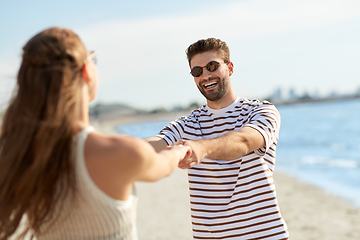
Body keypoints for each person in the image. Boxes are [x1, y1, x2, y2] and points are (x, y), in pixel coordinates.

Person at [0, 27, 190, 240]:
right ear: (86, 71)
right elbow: (162, 166)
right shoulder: (120, 153)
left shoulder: (20, 155)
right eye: (93, 58)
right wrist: (179, 151)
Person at [147, 38, 289, 239]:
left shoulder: (261, 111)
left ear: (230, 68)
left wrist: (202, 149)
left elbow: (244, 141)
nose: (205, 75)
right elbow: (155, 144)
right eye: (197, 71)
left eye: (212, 66)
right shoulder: (187, 124)